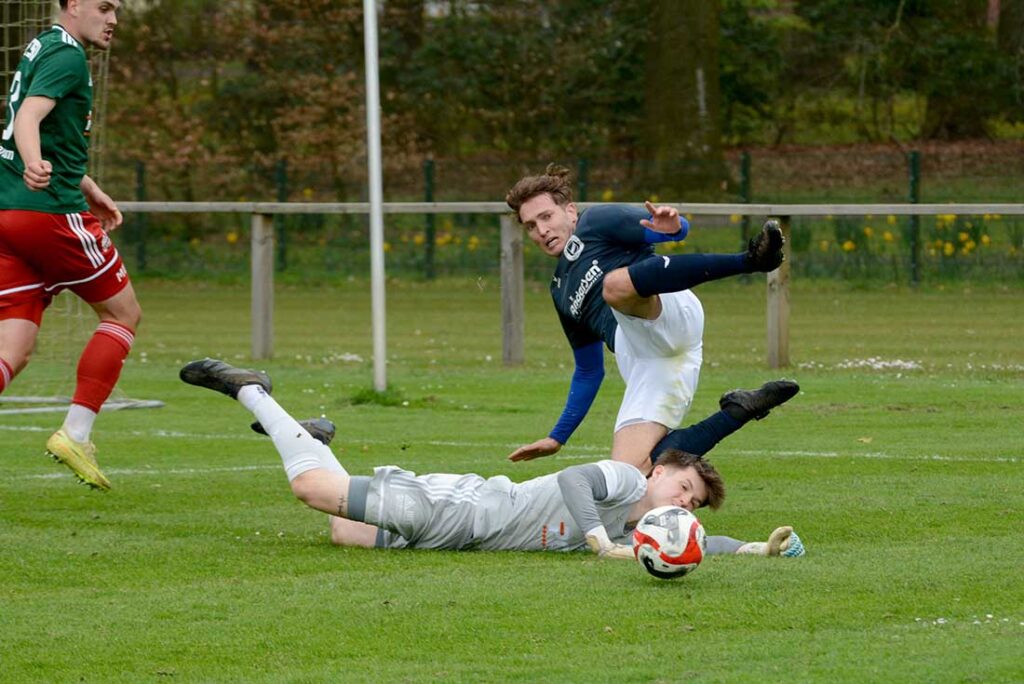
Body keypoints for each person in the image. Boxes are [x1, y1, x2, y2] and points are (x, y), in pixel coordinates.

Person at [180, 358, 805, 559]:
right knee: (314, 492)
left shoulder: (638, 531)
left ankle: (312, 439)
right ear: (659, 469)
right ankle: (251, 389)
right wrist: (596, 539)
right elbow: (574, 479)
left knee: (343, 529)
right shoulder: (622, 479)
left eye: (693, 503)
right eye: (685, 488)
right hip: (459, 510)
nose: (685, 505)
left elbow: (702, 545)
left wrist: (761, 548)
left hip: (461, 537)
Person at [504, 164, 788, 473]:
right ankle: (738, 410)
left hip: (667, 311)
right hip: (647, 362)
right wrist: (557, 437)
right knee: (627, 479)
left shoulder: (596, 221)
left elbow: (670, 229)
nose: (541, 230)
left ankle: (751, 260)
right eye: (530, 226)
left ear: (570, 211)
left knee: (614, 286)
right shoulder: (559, 290)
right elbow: (588, 370)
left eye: (546, 216)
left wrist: (674, 227)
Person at [0, 0, 137, 491]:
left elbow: (49, 132)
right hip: (49, 215)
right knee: (123, 314)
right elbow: (29, 119)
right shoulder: (68, 55)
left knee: (13, 348)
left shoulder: (43, 45)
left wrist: (87, 183)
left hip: (8, 216)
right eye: (104, 7)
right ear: (73, 5)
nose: (113, 19)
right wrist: (36, 165)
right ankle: (76, 434)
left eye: (117, 9)